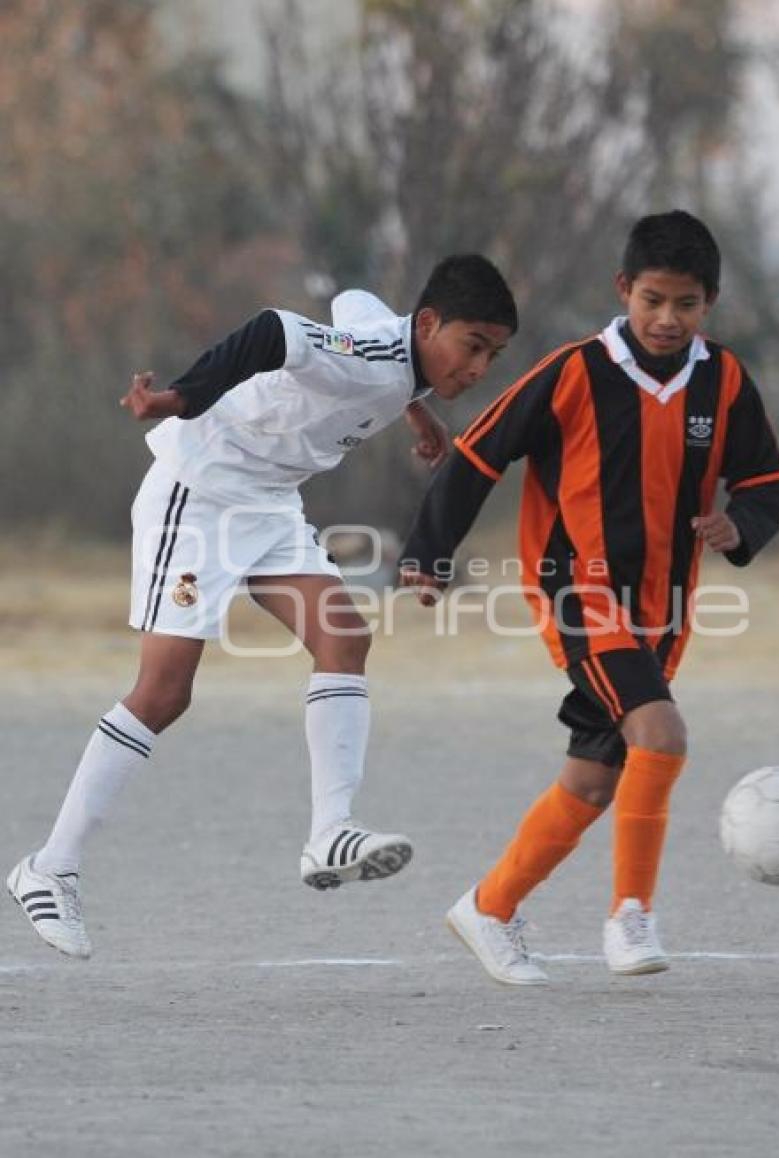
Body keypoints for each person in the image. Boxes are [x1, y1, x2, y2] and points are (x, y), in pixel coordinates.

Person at [7, 254, 518, 959]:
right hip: (198, 494)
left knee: (344, 638)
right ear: (428, 324)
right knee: (164, 691)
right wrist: (180, 398)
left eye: (493, 353)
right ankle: (49, 868)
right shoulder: (373, 354)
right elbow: (274, 330)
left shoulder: (388, 340)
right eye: (472, 346)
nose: (480, 367)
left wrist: (417, 411)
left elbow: (354, 298)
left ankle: (329, 833)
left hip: (270, 504)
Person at [399, 211, 779, 984]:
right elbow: (479, 455)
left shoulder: (725, 380)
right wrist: (429, 555)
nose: (667, 318)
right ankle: (630, 916)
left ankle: (491, 906)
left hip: (662, 608)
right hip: (578, 595)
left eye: (684, 303)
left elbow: (767, 484)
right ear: (624, 290)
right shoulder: (575, 371)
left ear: (708, 301)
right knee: (662, 735)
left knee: (594, 776)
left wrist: (735, 523)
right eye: (652, 300)